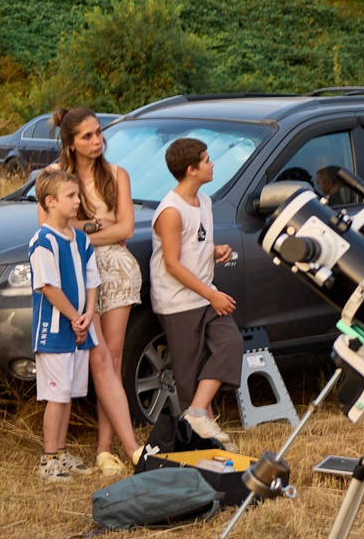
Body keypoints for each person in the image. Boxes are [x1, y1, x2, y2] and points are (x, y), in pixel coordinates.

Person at [54, 108, 143, 477]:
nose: (96, 141)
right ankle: (114, 445)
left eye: (98, 133)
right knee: (95, 356)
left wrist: (83, 228)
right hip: (78, 271)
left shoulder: (116, 174)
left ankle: (105, 449)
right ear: (70, 143)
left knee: (114, 355)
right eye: (87, 136)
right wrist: (97, 226)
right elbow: (53, 227)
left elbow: (126, 227)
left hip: (118, 269)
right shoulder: (55, 178)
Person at [149, 138, 241, 448]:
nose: (212, 164)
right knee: (188, 377)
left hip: (204, 295)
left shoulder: (205, 202)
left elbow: (194, 245)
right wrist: (212, 295)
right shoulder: (170, 212)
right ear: (191, 169)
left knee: (230, 342)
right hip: (178, 303)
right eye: (206, 160)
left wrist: (215, 251)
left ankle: (199, 414)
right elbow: (172, 264)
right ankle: (206, 435)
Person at [27, 166, 100, 480]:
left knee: (68, 392)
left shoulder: (82, 240)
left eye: (77, 194)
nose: (77, 201)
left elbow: (93, 281)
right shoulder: (43, 241)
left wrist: (88, 316)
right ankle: (48, 458)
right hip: (56, 331)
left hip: (80, 331)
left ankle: (60, 452)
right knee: (56, 395)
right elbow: (48, 287)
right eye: (70, 196)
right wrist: (74, 318)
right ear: (50, 201)